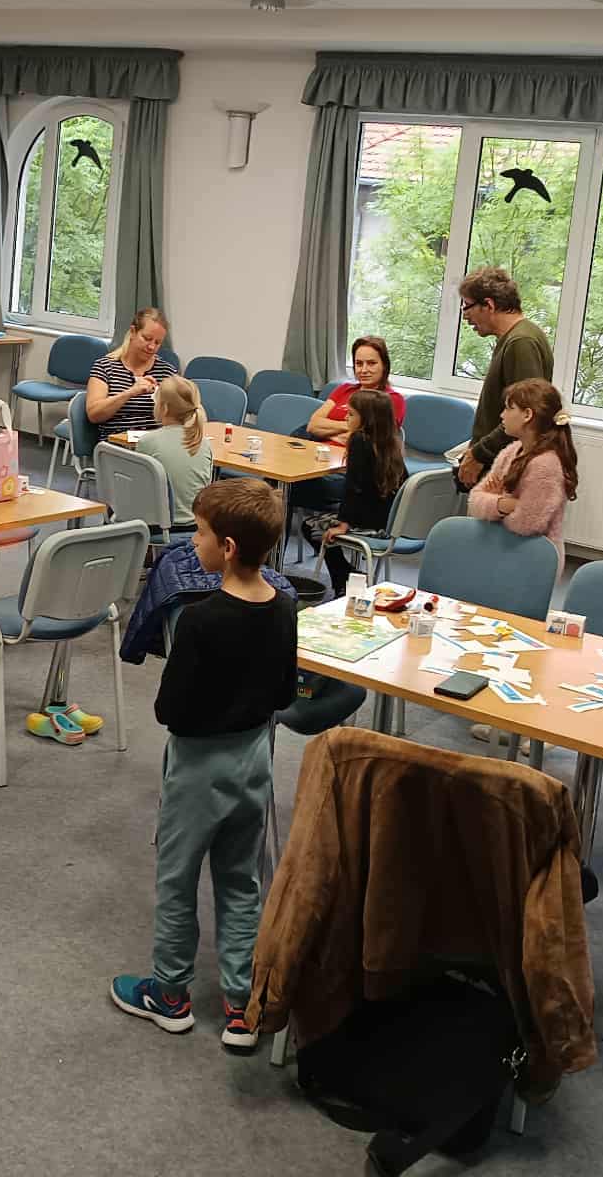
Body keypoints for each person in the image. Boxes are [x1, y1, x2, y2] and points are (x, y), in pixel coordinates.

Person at [110, 478, 297, 1053]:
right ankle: (242, 1004)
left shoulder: (199, 619)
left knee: (177, 877)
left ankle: (170, 994)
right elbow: (284, 694)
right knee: (241, 879)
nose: (194, 542)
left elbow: (170, 710)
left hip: (197, 768)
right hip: (255, 761)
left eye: (201, 533)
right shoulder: (286, 607)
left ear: (228, 548)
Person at [453, 266, 553, 489]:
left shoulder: (521, 343)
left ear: (488, 305)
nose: (465, 315)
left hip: (507, 466)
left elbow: (526, 415)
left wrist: (480, 453)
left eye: (467, 306)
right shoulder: (516, 337)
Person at [465, 379, 578, 564]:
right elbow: (474, 500)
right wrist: (506, 504)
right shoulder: (511, 451)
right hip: (504, 548)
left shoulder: (546, 465)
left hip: (532, 559)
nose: (502, 415)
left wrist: (493, 503)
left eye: (508, 408)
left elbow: (526, 523)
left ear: (527, 415)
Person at [311, 388, 407, 598]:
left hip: (367, 524)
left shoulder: (359, 440)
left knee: (310, 526)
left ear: (367, 419)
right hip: (389, 522)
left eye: (351, 414)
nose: (346, 417)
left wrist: (344, 524)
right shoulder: (392, 442)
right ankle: (348, 578)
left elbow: (353, 487)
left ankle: (346, 578)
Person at [135, 376, 212, 529]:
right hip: (195, 525)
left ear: (164, 408)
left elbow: (138, 487)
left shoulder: (148, 441)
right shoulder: (204, 442)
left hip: (158, 525)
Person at [86, 307, 175, 436]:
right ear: (133, 332)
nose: (151, 347)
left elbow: (185, 415)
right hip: (117, 443)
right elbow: (94, 415)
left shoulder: (167, 372)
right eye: (147, 338)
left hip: (154, 443)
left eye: (157, 343)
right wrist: (130, 393)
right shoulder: (105, 366)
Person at [305, 335, 407, 441]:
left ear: (384, 365)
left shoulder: (391, 399)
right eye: (359, 363)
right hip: (319, 448)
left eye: (371, 363)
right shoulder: (344, 389)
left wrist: (326, 431)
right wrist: (353, 426)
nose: (364, 370)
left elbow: (369, 441)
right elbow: (313, 425)